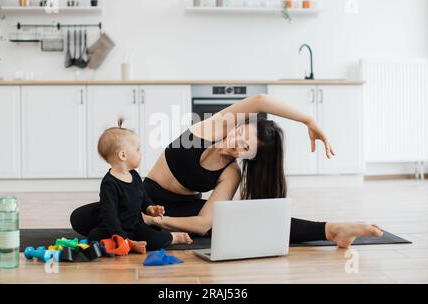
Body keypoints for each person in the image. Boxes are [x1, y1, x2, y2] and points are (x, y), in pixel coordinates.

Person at [72, 95, 382, 249]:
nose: (235, 145)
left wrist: (156, 221)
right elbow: (260, 100)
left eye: (244, 149)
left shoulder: (230, 173)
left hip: (174, 211)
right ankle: (153, 234)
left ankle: (333, 230)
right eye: (240, 136)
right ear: (238, 125)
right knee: (81, 218)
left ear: (250, 157)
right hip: (141, 197)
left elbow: (205, 224)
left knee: (251, 221)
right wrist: (309, 121)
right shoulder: (207, 128)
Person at [70, 118, 193, 251]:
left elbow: (143, 197)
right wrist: (122, 238)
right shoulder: (109, 183)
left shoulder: (134, 175)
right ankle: (131, 244)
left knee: (157, 239)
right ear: (123, 155)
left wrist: (150, 208)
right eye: (137, 149)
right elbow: (109, 214)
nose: (141, 153)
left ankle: (173, 238)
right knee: (93, 237)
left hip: (136, 225)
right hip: (115, 228)